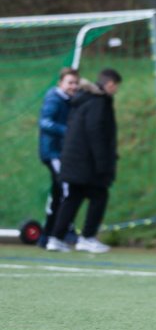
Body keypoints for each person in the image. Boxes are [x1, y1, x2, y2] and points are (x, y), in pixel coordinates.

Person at [46, 69, 122, 253]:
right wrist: (103, 162)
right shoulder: (98, 102)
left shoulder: (83, 100)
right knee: (99, 196)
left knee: (73, 197)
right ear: (110, 84)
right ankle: (87, 237)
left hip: (74, 158)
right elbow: (95, 133)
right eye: (116, 86)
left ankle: (55, 238)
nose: (116, 90)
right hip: (86, 161)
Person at [37, 67, 80, 247]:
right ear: (60, 83)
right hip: (53, 153)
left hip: (62, 152)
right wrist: (68, 132)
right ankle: (63, 231)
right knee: (66, 190)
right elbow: (45, 122)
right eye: (70, 82)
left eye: (76, 83)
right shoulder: (54, 99)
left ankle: (47, 235)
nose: (74, 86)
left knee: (58, 192)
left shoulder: (71, 100)